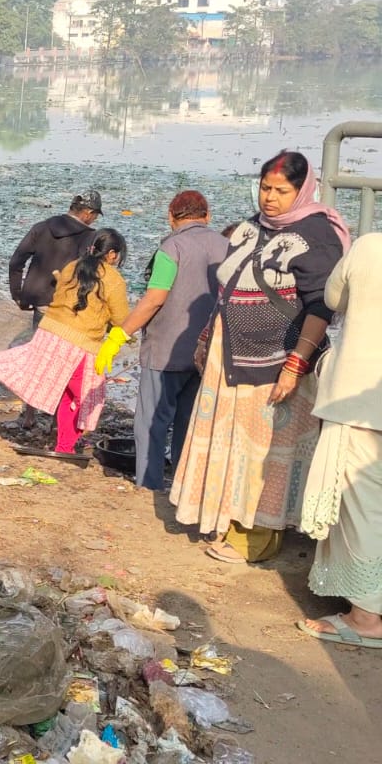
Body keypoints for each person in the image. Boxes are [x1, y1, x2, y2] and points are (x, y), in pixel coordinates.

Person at [171, 151, 349, 565]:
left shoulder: (317, 234)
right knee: (231, 444)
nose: (270, 198)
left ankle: (258, 535)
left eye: (281, 191)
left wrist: (296, 364)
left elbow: (322, 305)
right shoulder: (252, 226)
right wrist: (206, 337)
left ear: (304, 190)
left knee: (268, 450)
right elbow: (226, 289)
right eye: (266, 188)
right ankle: (226, 518)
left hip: (278, 364)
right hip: (231, 356)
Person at [94, 191, 229, 491]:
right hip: (209, 353)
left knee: (152, 424)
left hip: (166, 352)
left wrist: (119, 335)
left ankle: (149, 485)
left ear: (171, 217)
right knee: (188, 424)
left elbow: (154, 298)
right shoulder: (228, 247)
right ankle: (182, 488)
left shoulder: (172, 247)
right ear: (207, 216)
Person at [297, 233, 382, 647]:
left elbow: (333, 298)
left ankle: (367, 618)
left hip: (363, 400)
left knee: (363, 507)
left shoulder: (369, 247)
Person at [0, 229, 130, 456]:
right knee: (87, 397)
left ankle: (65, 446)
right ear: (112, 254)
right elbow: (122, 319)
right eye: (118, 256)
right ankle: (66, 445)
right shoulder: (113, 279)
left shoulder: (73, 266)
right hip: (80, 345)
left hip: (49, 336)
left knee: (68, 394)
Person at [7, 190, 103, 427]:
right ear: (88, 214)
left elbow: (16, 261)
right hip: (69, 309)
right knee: (65, 362)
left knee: (38, 354)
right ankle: (57, 420)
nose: (95, 220)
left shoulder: (42, 227)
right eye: (95, 216)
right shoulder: (90, 238)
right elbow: (91, 276)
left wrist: (18, 293)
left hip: (40, 301)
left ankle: (29, 414)